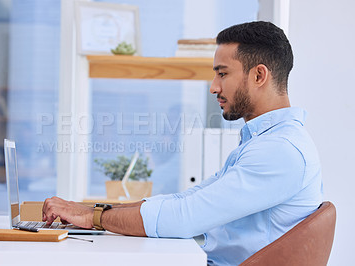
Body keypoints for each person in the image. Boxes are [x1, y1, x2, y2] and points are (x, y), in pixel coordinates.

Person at [42, 21, 322, 265]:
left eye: (222, 73)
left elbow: (185, 216)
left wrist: (92, 218)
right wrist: (89, 211)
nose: (213, 86)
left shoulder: (281, 150)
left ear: (259, 75)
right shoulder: (266, 142)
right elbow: (187, 199)